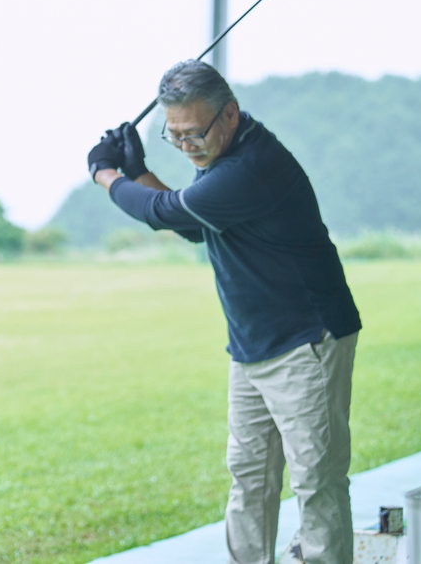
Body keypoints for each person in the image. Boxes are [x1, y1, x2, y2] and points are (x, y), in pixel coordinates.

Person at [87, 59, 361, 564]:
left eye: (194, 134)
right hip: (252, 345)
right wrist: (138, 171)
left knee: (316, 481)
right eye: (175, 137)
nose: (187, 146)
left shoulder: (252, 167)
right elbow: (194, 222)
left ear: (230, 115)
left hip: (307, 341)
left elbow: (162, 212)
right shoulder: (224, 164)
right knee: (250, 476)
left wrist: (107, 174)